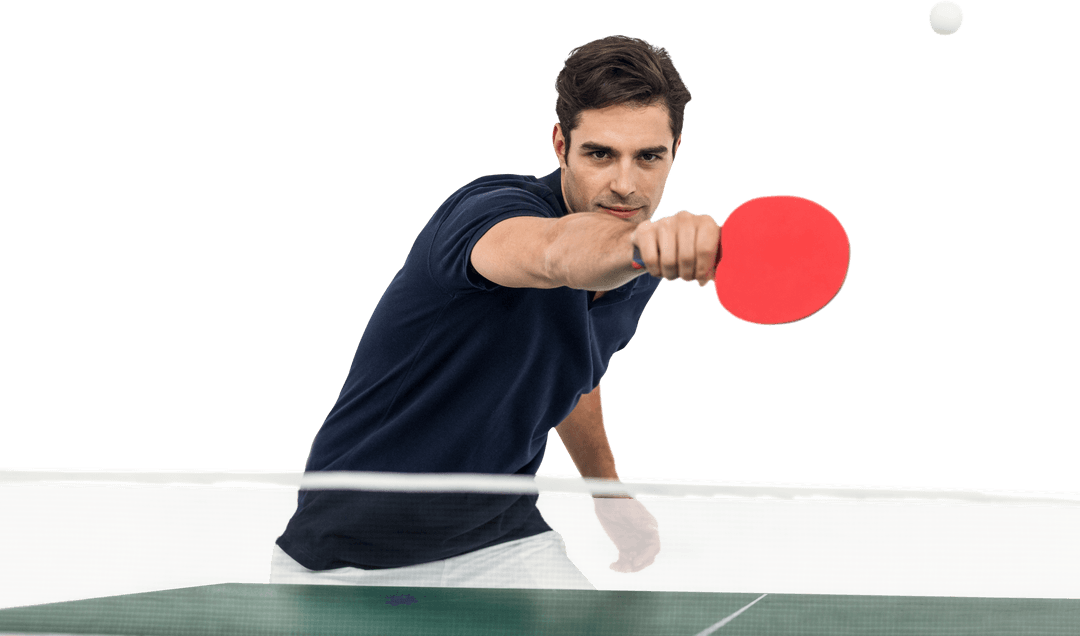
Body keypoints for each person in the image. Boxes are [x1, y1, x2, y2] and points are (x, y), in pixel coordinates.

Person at [271, 34, 719, 589]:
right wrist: (640, 246)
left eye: (648, 157)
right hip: (351, 548)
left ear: (676, 148)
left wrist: (606, 492)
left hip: (499, 533)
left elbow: (573, 369)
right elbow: (557, 254)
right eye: (600, 153)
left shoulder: (636, 270)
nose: (625, 184)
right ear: (560, 145)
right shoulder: (488, 212)